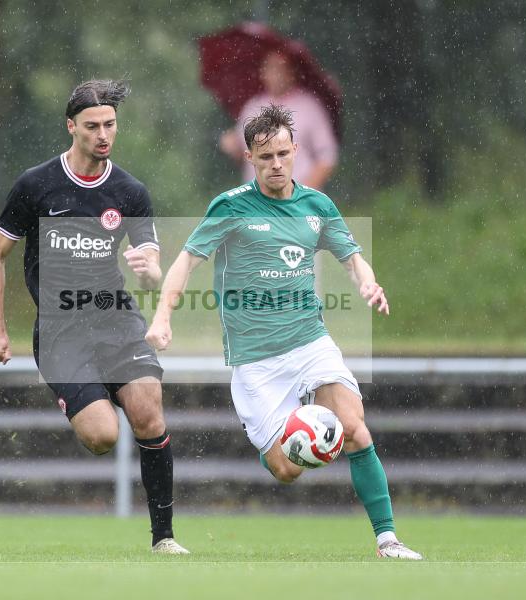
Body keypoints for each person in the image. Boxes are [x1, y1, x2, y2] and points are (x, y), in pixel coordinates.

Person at [147, 104, 422, 560]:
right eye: (264, 157)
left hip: (310, 342)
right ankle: (293, 431)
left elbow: (351, 256)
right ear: (250, 159)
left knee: (353, 428)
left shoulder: (317, 205)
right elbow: (186, 261)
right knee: (285, 469)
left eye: (282, 153)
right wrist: (162, 317)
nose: (276, 164)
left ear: (296, 149)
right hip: (256, 361)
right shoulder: (231, 207)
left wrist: (368, 283)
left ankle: (387, 539)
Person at [0, 79, 188, 555]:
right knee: (100, 437)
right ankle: (88, 396)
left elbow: (153, 269)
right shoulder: (37, 185)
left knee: (149, 412)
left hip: (116, 321)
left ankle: (165, 539)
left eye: (110, 125)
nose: (103, 134)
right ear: (71, 126)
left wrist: (149, 271)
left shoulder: (129, 191)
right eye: (92, 125)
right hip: (60, 330)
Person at [219, 51, 338, 190]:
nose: (276, 74)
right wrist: (234, 146)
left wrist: (303, 195)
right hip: (258, 202)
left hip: (297, 200)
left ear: (292, 72)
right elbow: (247, 155)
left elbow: (327, 155)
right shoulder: (252, 107)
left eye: (281, 68)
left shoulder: (309, 106)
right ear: (263, 73)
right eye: (270, 68)